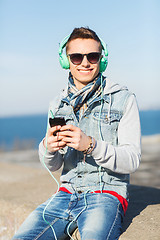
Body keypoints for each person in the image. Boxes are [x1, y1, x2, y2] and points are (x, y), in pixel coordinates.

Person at [12, 27, 141, 240]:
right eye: (76, 57)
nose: (85, 62)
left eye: (92, 56)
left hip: (105, 195)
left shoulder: (124, 99)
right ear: (66, 61)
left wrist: (91, 145)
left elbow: (132, 161)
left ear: (102, 59)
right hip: (64, 196)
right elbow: (53, 165)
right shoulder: (57, 104)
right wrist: (49, 148)